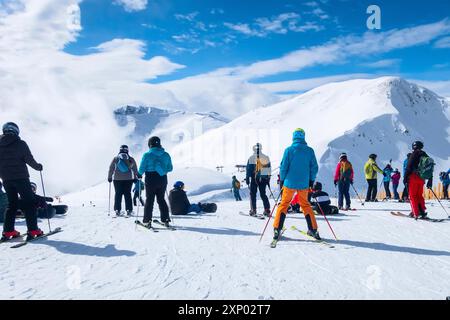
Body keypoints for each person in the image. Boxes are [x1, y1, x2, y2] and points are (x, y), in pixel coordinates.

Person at [273, 128, 320, 240]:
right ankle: (313, 230)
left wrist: (282, 180)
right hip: (304, 183)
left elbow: (284, 167)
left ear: (293, 137)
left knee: (284, 204)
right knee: (305, 205)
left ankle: (277, 229)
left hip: (289, 182)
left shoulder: (288, 150)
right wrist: (311, 181)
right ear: (303, 137)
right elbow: (314, 167)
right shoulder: (310, 151)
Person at [0, 122, 44, 240]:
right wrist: (38, 167)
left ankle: (8, 231)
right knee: (29, 203)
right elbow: (29, 159)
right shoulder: (20, 144)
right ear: (16, 131)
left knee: (12, 205)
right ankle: (33, 230)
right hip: (21, 178)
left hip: (7, 180)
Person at [138, 136, 173, 228]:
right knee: (161, 199)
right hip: (162, 178)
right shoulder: (166, 154)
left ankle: (147, 221)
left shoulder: (147, 155)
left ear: (150, 144)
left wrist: (139, 174)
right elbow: (170, 168)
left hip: (150, 178)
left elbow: (142, 168)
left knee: (149, 199)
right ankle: (165, 220)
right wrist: (162, 170)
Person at [404, 141, 434, 219]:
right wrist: (430, 180)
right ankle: (422, 211)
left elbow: (409, 167)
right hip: (422, 178)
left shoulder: (413, 154)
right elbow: (430, 167)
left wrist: (405, 178)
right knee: (419, 195)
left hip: (413, 178)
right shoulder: (424, 154)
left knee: (413, 196)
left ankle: (415, 213)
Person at [108, 145, 140, 217]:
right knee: (127, 194)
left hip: (117, 179)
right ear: (127, 150)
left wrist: (109, 177)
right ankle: (129, 210)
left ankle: (117, 210)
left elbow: (111, 168)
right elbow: (135, 169)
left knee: (118, 194)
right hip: (128, 179)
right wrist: (135, 177)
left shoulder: (116, 159)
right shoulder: (131, 159)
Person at [246, 143, 271, 216]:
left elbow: (249, 169)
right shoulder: (266, 157)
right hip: (263, 179)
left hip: (254, 178)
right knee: (263, 194)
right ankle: (267, 210)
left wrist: (247, 178)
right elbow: (268, 169)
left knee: (253, 194)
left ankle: (253, 210)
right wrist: (268, 179)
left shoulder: (251, 158)